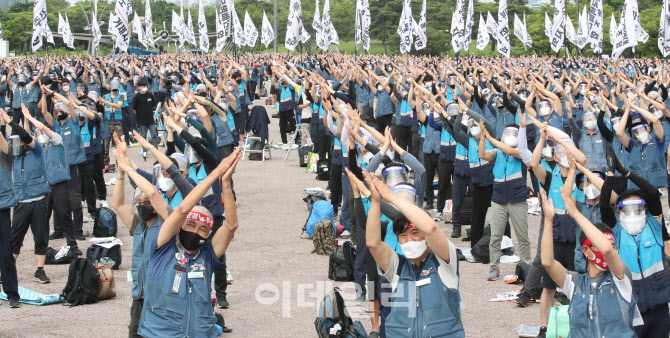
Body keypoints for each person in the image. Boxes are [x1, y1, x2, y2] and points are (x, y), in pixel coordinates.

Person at [138, 149, 241, 338]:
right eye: (191, 225)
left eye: (203, 229)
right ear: (181, 225)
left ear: (208, 234)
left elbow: (231, 226)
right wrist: (216, 173)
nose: (195, 231)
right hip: (161, 333)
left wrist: (225, 183)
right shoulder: (163, 247)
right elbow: (181, 210)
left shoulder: (207, 255)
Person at [363, 170, 464, 337]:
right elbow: (373, 243)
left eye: (415, 233)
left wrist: (392, 197)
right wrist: (375, 201)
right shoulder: (397, 266)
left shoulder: (445, 261)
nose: (409, 240)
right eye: (403, 236)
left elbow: (431, 228)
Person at [541, 187, 641, 337]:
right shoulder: (574, 283)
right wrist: (548, 220)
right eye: (598, 245)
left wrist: (575, 213)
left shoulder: (620, 277)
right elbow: (547, 262)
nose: (610, 251)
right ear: (586, 251)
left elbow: (606, 250)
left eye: (615, 247)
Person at [110, 132, 167, 337]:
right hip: (140, 297)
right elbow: (117, 204)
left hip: (162, 298)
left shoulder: (167, 225)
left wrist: (128, 166)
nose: (142, 205)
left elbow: (152, 192)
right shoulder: (139, 225)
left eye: (147, 203)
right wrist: (121, 172)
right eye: (139, 203)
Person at [5, 108, 52, 284]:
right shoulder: (13, 158)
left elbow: (25, 134)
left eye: (19, 143)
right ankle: (8, 270)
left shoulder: (36, 151)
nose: (16, 146)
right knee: (14, 237)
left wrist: (10, 122)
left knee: (41, 236)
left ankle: (40, 270)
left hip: (39, 200)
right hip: (21, 202)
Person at [0, 109, 20, 308]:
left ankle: (12, 293)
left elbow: (6, 148)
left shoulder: (4, 156)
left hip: (1, 207)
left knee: (6, 253)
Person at [132, 79, 158, 158]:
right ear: (139, 87)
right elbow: (134, 109)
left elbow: (154, 105)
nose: (144, 87)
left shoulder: (150, 95)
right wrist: (139, 115)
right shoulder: (136, 97)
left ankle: (155, 150)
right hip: (141, 120)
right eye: (143, 86)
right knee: (143, 136)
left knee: (154, 135)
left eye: (145, 86)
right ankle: (144, 151)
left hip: (150, 119)